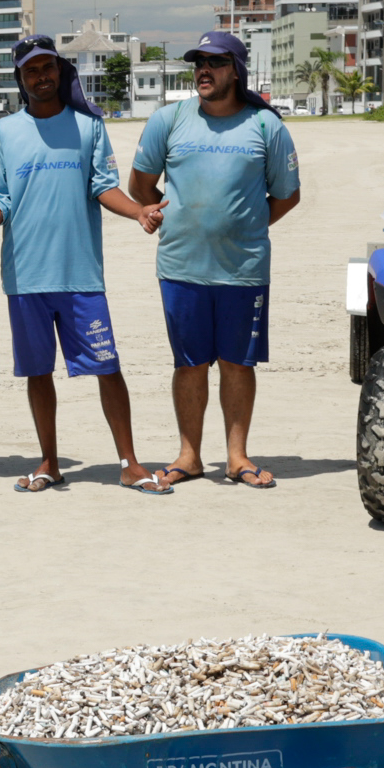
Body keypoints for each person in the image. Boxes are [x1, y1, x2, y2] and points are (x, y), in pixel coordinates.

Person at [0, 35, 159, 495]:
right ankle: (49, 461)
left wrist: (138, 210)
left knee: (107, 367)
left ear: (60, 71)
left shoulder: (88, 126)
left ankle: (129, 462)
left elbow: (103, 185)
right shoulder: (3, 132)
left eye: (47, 68)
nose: (41, 77)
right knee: (38, 372)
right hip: (25, 277)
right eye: (31, 71)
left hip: (80, 275)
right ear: (21, 79)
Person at [127, 30, 302, 490]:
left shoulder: (267, 126)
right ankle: (189, 456)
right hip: (181, 267)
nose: (204, 70)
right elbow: (140, 186)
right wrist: (175, 217)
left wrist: (246, 225)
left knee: (237, 363)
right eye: (198, 62)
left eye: (216, 62)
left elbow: (287, 195)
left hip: (243, 269)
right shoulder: (169, 120)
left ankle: (236, 456)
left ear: (237, 71)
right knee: (188, 363)